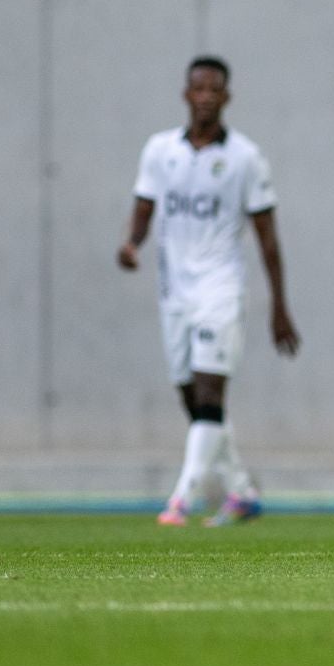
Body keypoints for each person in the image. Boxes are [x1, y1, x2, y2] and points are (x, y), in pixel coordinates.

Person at [119, 56, 300, 527]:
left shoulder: (245, 158)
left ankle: (182, 498)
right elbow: (145, 205)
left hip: (220, 289)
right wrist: (132, 244)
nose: (205, 97)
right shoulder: (160, 151)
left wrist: (278, 305)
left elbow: (268, 237)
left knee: (209, 390)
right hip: (173, 291)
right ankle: (241, 491)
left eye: (213, 90)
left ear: (226, 97)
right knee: (195, 400)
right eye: (197, 89)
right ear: (186, 94)